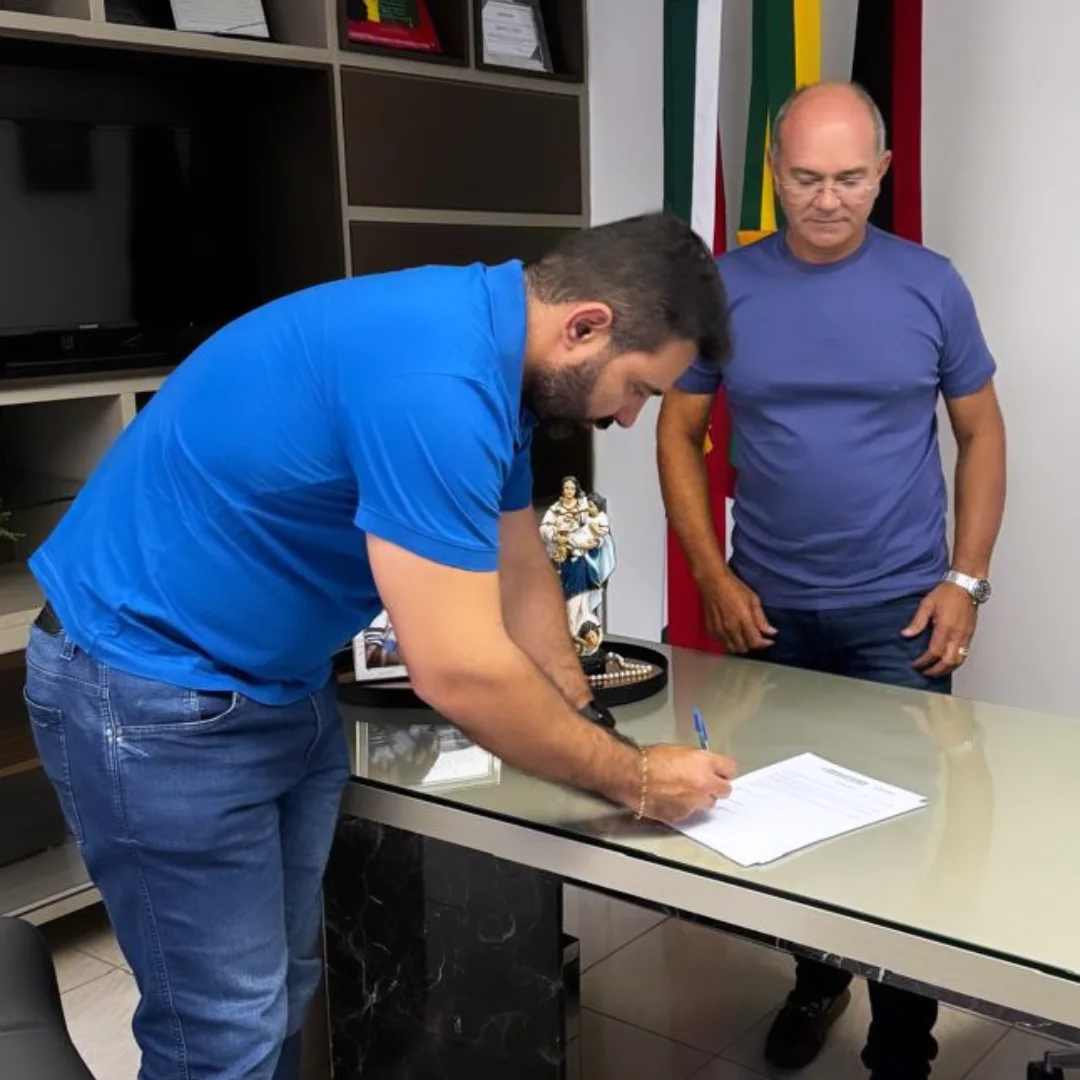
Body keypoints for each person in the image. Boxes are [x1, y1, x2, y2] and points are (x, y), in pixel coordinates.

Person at [24, 211, 739, 1080]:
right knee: (221, 1032)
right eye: (637, 389)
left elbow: (521, 573)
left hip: (274, 682)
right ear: (585, 326)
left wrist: (593, 726)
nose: (627, 418)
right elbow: (458, 670)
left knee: (281, 994)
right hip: (148, 689)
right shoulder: (437, 383)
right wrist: (635, 779)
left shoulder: (498, 355)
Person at [657, 83, 1006, 1080]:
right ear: (773, 172)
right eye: (806, 177)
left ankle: (902, 1046)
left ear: (883, 173)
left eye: (851, 178)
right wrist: (713, 577)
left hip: (901, 616)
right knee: (788, 816)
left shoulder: (931, 285)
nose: (827, 198)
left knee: (908, 826)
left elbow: (982, 432)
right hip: (767, 611)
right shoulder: (725, 288)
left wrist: (966, 581)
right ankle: (816, 979)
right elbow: (678, 433)